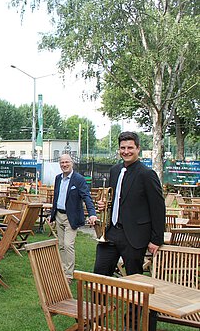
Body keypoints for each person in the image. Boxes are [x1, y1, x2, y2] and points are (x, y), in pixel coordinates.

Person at [94, 131, 165, 330]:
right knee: (99, 275)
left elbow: (158, 207)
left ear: (138, 149)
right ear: (119, 149)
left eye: (130, 148)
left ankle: (133, 324)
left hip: (135, 237)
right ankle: (96, 320)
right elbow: (116, 199)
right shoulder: (115, 170)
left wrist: (156, 240)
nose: (126, 151)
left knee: (136, 283)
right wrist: (103, 205)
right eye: (123, 148)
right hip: (112, 233)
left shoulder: (146, 174)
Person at [50, 154, 97, 283]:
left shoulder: (79, 179)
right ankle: (63, 270)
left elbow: (86, 196)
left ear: (72, 163)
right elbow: (56, 197)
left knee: (68, 245)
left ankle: (68, 275)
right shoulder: (58, 178)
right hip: (58, 215)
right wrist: (52, 214)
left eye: (67, 162)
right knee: (60, 245)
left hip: (71, 217)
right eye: (62, 162)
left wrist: (92, 213)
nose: (64, 165)